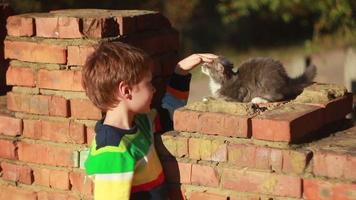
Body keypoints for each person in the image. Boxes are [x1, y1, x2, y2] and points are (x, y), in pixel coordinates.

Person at [82, 41, 217, 200]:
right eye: (148, 83)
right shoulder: (111, 150)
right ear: (126, 91)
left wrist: (180, 72)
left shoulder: (142, 123)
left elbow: (169, 112)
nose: (153, 89)